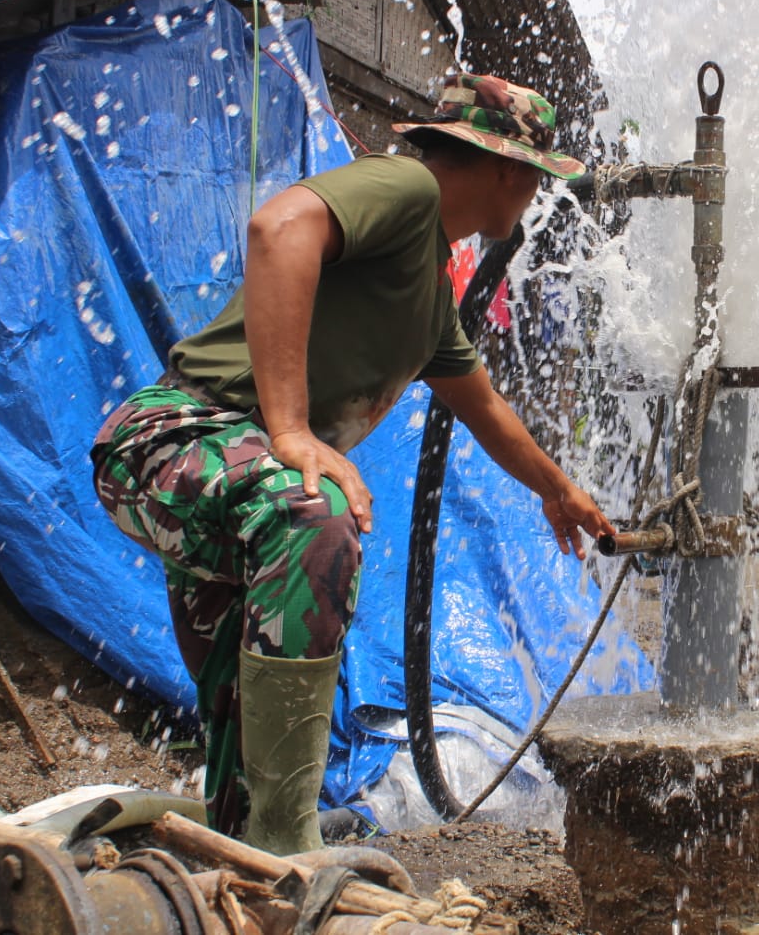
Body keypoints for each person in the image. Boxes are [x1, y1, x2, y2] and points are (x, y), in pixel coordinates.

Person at [91, 73, 615, 855]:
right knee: (316, 516)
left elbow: (486, 408)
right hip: (170, 441)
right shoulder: (408, 187)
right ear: (510, 168)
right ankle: (286, 850)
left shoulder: (429, 289)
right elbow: (279, 228)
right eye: (536, 180)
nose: (536, 199)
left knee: (252, 697)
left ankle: (245, 861)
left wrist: (560, 491)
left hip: (233, 482)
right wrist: (293, 429)